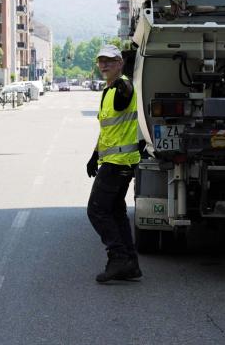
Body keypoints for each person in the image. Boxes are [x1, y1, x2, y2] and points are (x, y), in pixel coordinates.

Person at [86, 44, 142, 283]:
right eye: (101, 61)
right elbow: (108, 129)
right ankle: (131, 264)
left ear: (120, 63)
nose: (104, 64)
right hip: (115, 161)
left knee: (97, 210)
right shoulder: (107, 91)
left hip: (119, 163)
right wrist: (94, 154)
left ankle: (118, 258)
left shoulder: (123, 87)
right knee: (116, 212)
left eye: (109, 60)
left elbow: (127, 92)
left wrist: (124, 83)